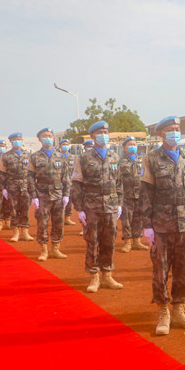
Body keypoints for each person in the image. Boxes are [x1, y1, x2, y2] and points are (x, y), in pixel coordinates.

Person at [140, 116, 185, 336]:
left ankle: (179, 310)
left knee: (184, 268)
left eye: (178, 129)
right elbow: (146, 195)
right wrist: (147, 225)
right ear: (161, 134)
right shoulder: (151, 159)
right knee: (161, 270)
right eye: (171, 129)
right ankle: (163, 312)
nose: (176, 132)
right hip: (161, 224)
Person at [71, 121, 123, 293]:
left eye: (106, 132)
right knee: (92, 242)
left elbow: (120, 183)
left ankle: (107, 275)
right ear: (92, 136)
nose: (104, 135)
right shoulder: (84, 158)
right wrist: (79, 208)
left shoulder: (115, 157)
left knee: (109, 242)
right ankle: (94, 277)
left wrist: (120, 204)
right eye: (100, 132)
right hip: (91, 206)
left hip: (111, 206)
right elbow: (77, 184)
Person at [27, 128, 70, 261]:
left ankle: (55, 249)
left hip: (58, 194)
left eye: (50, 136)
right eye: (45, 136)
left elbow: (66, 177)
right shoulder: (34, 157)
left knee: (58, 223)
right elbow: (29, 177)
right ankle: (44, 250)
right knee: (42, 223)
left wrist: (66, 194)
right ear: (40, 139)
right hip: (42, 195)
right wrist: (33, 196)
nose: (48, 138)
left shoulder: (61, 157)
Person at [0, 132, 34, 242]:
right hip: (12, 187)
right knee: (13, 210)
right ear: (11, 141)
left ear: (22, 140)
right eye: (14, 139)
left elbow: (31, 173)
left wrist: (32, 188)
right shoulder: (6, 156)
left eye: (19, 139)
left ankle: (25, 232)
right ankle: (16, 233)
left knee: (25, 210)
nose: (17, 141)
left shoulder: (28, 155)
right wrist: (3, 188)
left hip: (25, 187)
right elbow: (1, 173)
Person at [118, 137, 148, 253]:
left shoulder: (143, 160)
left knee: (139, 219)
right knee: (126, 220)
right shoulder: (120, 162)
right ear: (125, 147)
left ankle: (137, 241)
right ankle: (127, 242)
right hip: (126, 196)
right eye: (130, 144)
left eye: (134, 144)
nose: (132, 146)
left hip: (140, 196)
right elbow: (118, 180)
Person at [59, 139, 77, 226]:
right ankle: (59, 218)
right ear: (60, 146)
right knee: (59, 200)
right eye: (63, 144)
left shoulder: (73, 157)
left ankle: (67, 218)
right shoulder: (57, 157)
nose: (65, 146)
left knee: (69, 200)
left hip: (70, 182)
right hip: (59, 183)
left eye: (67, 144)